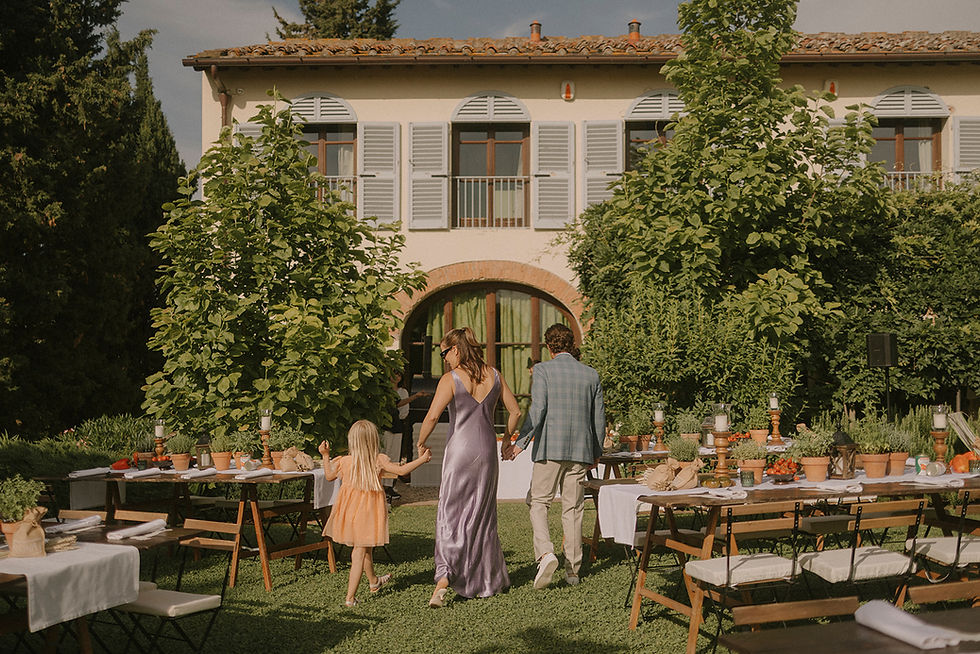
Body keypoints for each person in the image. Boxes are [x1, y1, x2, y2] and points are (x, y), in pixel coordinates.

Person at [416, 326, 521, 608]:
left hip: (460, 452)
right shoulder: (494, 375)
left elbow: (432, 416)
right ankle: (484, 580)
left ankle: (444, 578)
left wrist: (421, 442)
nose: (444, 359)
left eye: (444, 354)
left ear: (456, 350)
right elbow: (515, 411)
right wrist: (506, 441)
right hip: (486, 450)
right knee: (482, 516)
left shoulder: (451, 379)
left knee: (450, 513)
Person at [503, 323, 605, 589]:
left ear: (549, 347)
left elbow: (537, 411)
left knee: (538, 502)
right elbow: (598, 419)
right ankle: (573, 572)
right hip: (580, 451)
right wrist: (596, 452)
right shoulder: (590, 374)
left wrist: (519, 444)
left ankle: (546, 553)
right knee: (573, 509)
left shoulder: (543, 370)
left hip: (550, 449)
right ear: (571, 345)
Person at [319, 419, 431, 607]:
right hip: (368, 513)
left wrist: (325, 455)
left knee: (365, 548)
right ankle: (350, 598)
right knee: (359, 552)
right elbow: (402, 471)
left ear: (352, 440)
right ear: (373, 440)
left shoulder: (344, 461)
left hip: (349, 512)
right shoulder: (379, 460)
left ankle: (374, 582)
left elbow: (329, 476)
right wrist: (422, 459)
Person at [382, 372, 431, 501]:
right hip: (385, 426)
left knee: (394, 456)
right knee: (384, 454)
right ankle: (381, 485)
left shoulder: (402, 391)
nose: (396, 377)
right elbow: (397, 403)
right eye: (394, 374)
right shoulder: (385, 391)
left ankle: (389, 485)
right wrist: (415, 396)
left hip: (397, 425)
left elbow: (403, 410)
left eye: (399, 375)